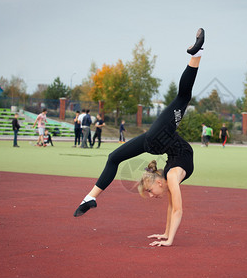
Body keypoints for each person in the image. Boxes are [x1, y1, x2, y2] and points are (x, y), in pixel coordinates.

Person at [73, 28, 205, 248]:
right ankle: (90, 198)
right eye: (152, 192)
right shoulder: (171, 177)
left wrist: (168, 238)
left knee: (182, 97)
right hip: (158, 138)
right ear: (160, 181)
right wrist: (167, 237)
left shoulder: (171, 176)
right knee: (114, 156)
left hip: (159, 138)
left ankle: (198, 52)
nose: (152, 196)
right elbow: (176, 208)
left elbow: (176, 209)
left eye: (151, 192)